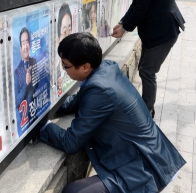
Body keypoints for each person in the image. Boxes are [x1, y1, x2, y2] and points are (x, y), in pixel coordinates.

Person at [40, 32, 186, 193]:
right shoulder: (106, 68)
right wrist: (45, 107)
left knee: (74, 191)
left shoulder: (99, 89)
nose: (64, 70)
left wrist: (42, 126)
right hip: (149, 156)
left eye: (65, 66)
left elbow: (71, 142)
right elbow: (78, 101)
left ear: (85, 66)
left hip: (145, 168)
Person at [111, 0, 185, 118]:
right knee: (145, 69)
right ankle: (145, 108)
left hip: (163, 33)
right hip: (156, 31)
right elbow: (137, 4)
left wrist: (124, 29)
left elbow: (140, 9)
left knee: (147, 71)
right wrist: (122, 22)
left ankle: (147, 112)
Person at [14, 27, 38, 131]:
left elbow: (37, 85)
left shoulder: (34, 61)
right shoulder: (16, 71)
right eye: (23, 43)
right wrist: (26, 84)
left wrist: (32, 81)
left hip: (35, 112)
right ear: (20, 47)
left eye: (27, 41)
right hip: (24, 122)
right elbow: (16, 102)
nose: (25, 46)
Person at [56, 3, 72, 96]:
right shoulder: (55, 74)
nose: (68, 36)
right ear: (58, 39)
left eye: (69, 30)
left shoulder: (79, 63)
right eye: (64, 32)